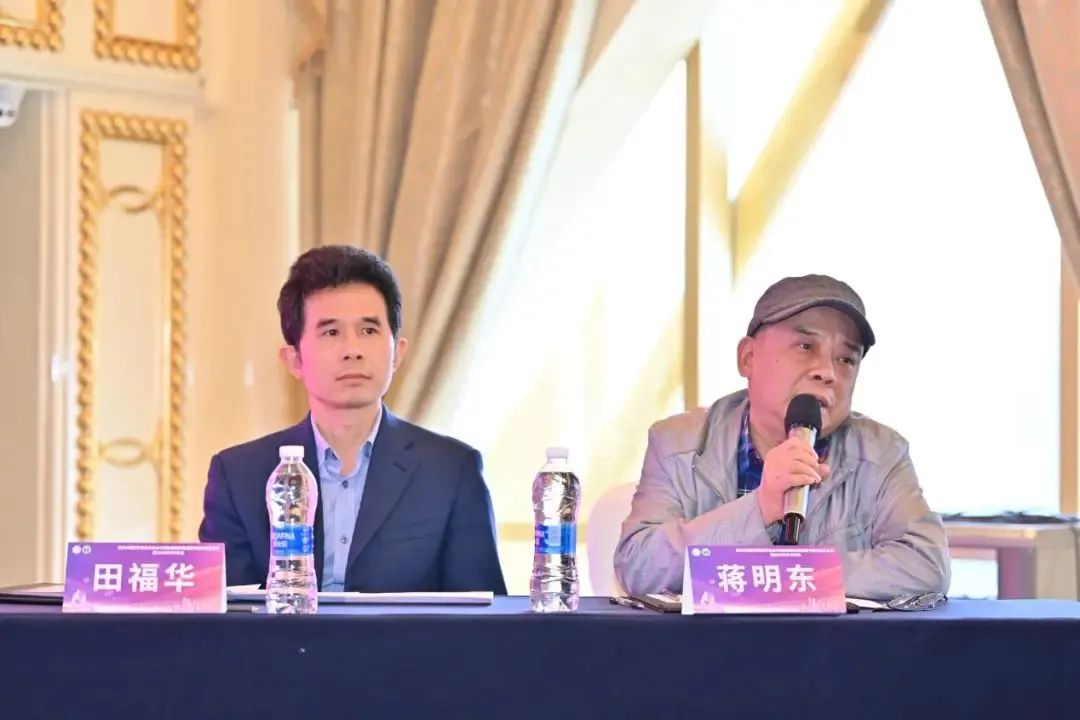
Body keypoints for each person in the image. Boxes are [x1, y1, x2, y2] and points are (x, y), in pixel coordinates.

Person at [614, 274, 950, 600]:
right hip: (712, 639)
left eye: (847, 359)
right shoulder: (678, 443)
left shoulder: (881, 452)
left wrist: (782, 577)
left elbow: (926, 565)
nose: (828, 372)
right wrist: (760, 506)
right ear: (748, 358)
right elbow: (639, 566)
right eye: (805, 346)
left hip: (827, 640)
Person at [199, 245, 507, 594]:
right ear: (294, 360)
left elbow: (485, 612)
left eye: (369, 331)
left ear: (397, 354)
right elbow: (225, 616)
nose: (353, 350)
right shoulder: (239, 475)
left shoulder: (451, 470)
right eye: (331, 332)